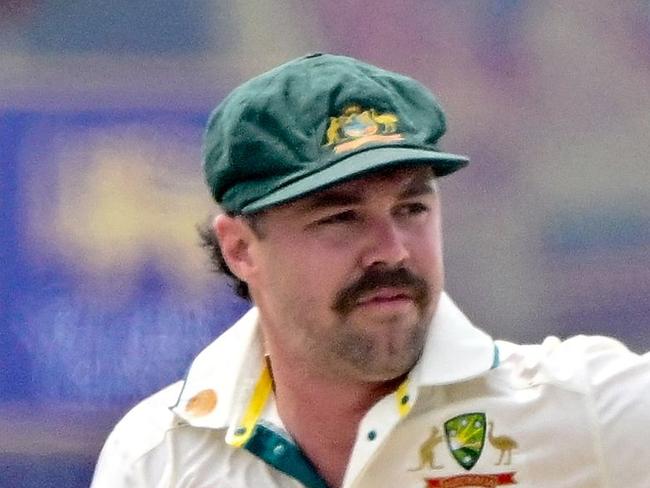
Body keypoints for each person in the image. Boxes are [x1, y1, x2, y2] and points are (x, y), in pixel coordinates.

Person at [91, 54, 650, 488]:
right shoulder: (157, 458)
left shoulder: (585, 406)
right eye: (341, 217)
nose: (392, 250)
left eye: (412, 209)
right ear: (240, 249)